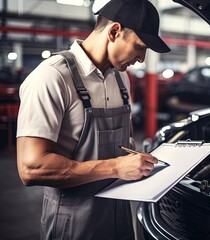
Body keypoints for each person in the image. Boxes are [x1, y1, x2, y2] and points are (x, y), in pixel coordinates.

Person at [16, 0, 170, 239]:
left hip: (119, 218)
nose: (142, 58)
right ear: (114, 31)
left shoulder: (121, 80)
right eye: (140, 47)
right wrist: (117, 167)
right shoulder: (52, 77)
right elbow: (31, 168)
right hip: (73, 224)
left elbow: (123, 146)